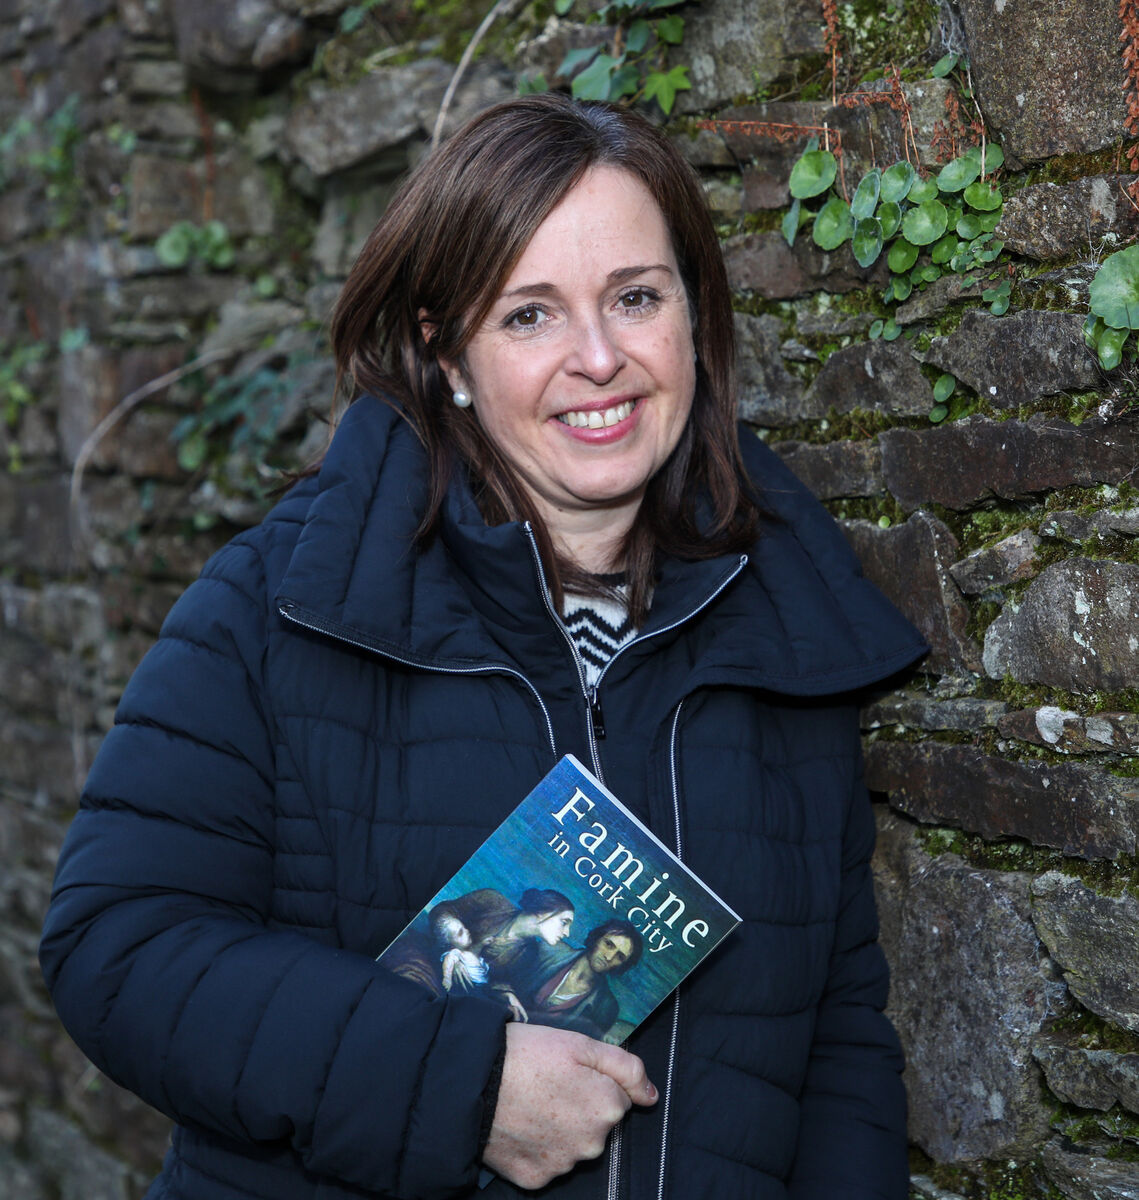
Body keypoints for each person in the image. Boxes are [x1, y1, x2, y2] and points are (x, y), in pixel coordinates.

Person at [39, 92, 928, 1200]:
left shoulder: (787, 628)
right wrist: (458, 1085)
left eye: (634, 298)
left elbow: (835, 1040)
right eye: (528, 316)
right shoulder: (281, 606)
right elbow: (118, 952)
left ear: (692, 318)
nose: (597, 358)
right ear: (443, 351)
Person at [512, 920, 643, 1041]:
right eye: (608, 944)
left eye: (619, 957)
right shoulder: (549, 951)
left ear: (622, 965)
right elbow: (501, 977)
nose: (609, 957)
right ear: (596, 938)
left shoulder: (607, 1007)